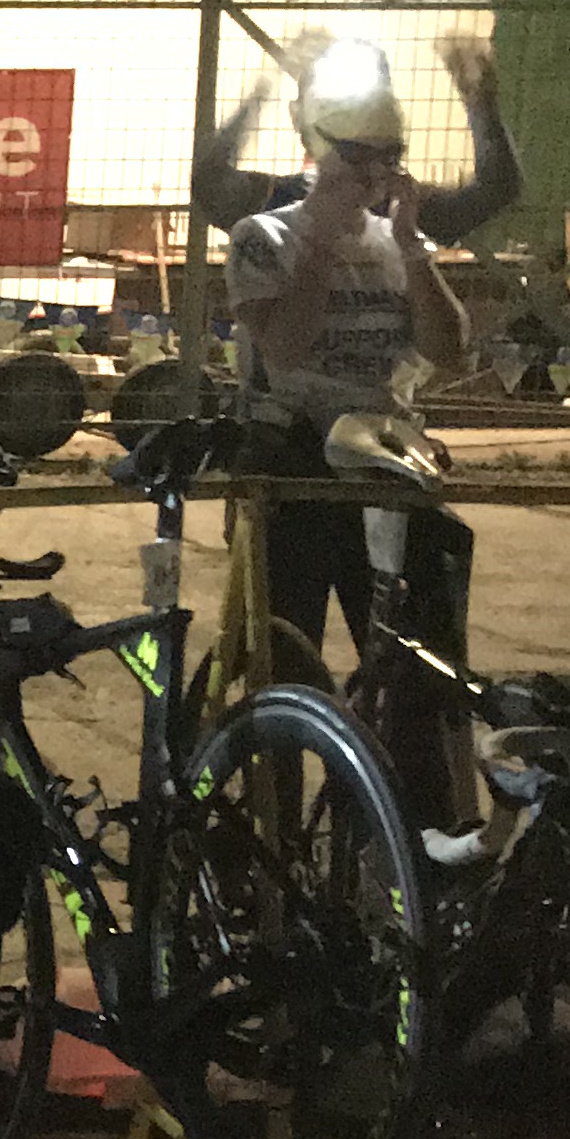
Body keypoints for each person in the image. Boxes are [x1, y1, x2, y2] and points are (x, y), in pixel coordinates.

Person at [225, 50, 474, 676]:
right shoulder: (263, 237)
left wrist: (413, 250)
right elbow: (284, 345)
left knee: (414, 668)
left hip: (381, 459)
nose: (377, 173)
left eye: (391, 156)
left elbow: (448, 349)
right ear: (321, 150)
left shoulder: (396, 242)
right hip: (293, 463)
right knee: (286, 658)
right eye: (360, 155)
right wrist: (323, 238)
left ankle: (386, 741)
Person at [199, 29, 519, 243]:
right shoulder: (398, 207)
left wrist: (481, 104)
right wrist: (481, 105)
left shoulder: (398, 205)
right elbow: (210, 186)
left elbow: (495, 191)